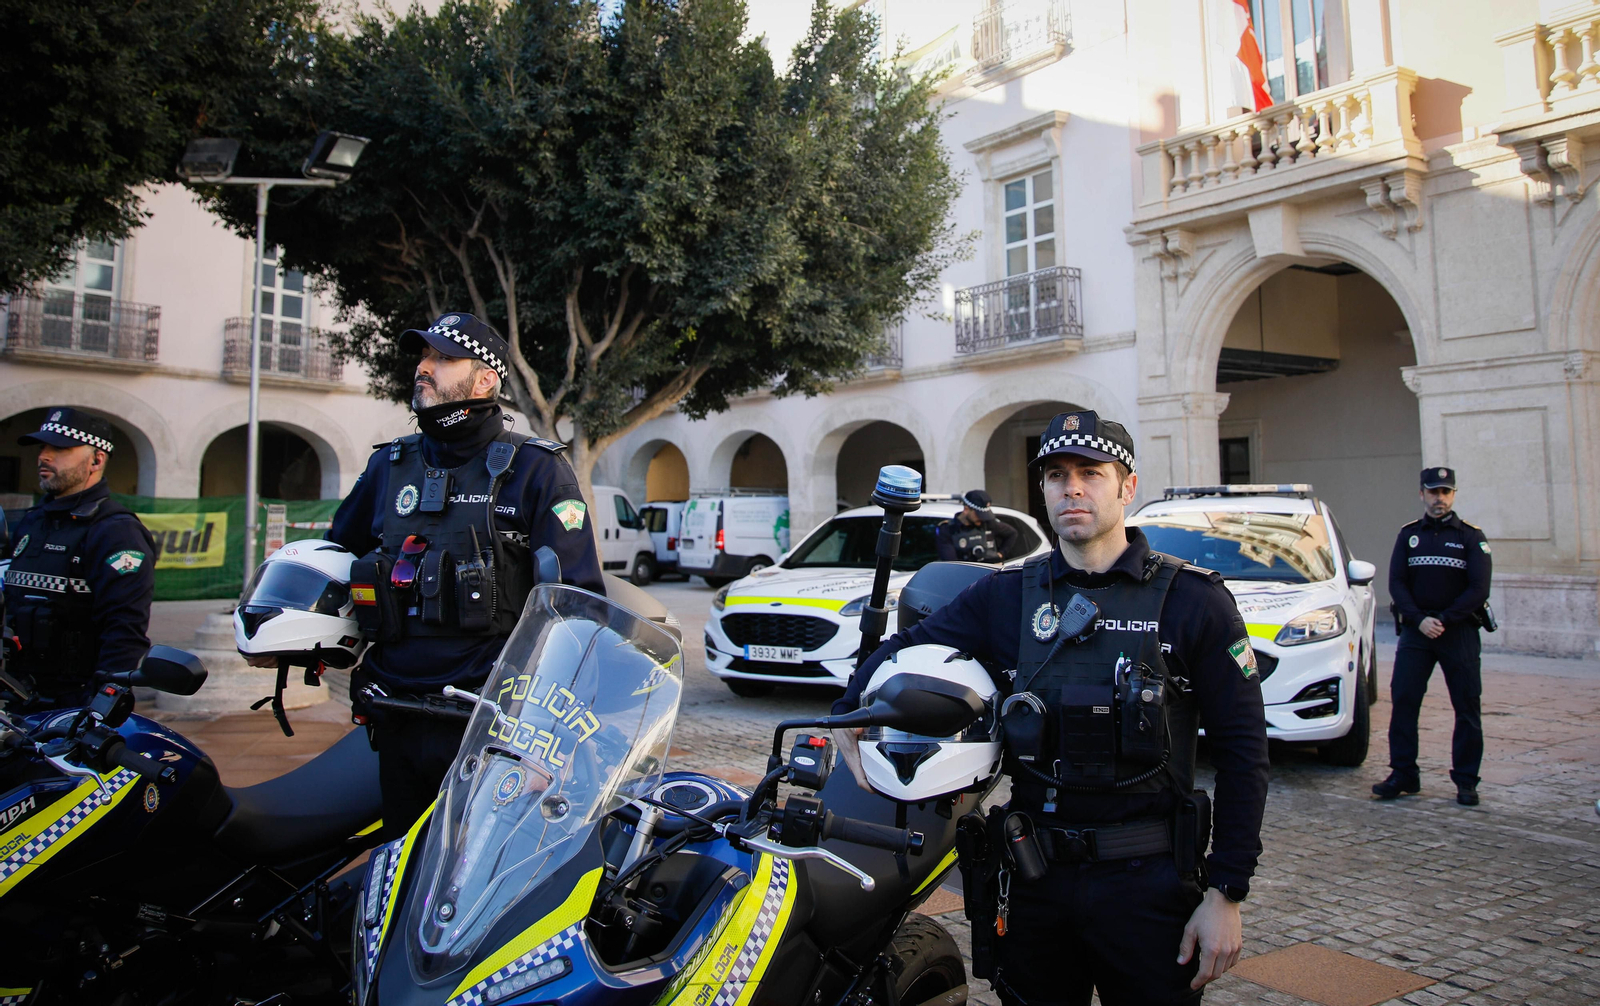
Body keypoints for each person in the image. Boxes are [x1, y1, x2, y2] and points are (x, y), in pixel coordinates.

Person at [834, 410, 1269, 1006]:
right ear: (1042, 490)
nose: (1073, 488)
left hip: (1148, 885)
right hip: (1034, 875)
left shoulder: (1196, 602)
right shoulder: (1008, 594)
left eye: (1092, 472)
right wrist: (850, 708)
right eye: (1057, 475)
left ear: (1127, 485)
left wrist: (1226, 892)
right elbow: (907, 645)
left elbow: (1246, 754)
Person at [325, 312, 605, 835]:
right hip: (397, 715)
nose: (423, 368)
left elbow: (580, 610)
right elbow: (335, 556)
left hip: (490, 725)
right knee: (401, 868)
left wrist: (551, 738)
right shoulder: (390, 465)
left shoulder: (537, 469)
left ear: (485, 380)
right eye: (423, 356)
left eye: (442, 358)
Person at [2, 409, 155, 707]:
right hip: (18, 699)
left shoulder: (116, 531)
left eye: (59, 448)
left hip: (74, 707)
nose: (44, 456)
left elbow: (125, 632)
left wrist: (99, 710)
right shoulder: (31, 522)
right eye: (42, 447)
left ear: (96, 459)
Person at [1374, 466, 1491, 807]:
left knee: (1467, 707)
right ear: (1421, 494)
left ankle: (1466, 780)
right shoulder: (1409, 535)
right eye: (1433, 492)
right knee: (1405, 702)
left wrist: (1442, 619)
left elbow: (1478, 588)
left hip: (1459, 633)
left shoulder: (1471, 536)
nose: (1439, 499)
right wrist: (1420, 620)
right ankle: (1403, 773)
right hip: (1417, 634)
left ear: (1453, 495)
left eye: (1445, 492)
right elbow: (1396, 583)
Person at [935, 488, 1018, 562]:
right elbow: (951, 565)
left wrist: (1001, 554)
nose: (982, 519)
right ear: (966, 510)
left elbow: (1012, 533)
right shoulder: (948, 529)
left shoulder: (987, 523)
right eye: (979, 515)